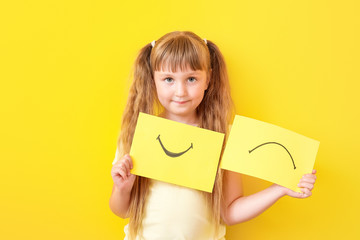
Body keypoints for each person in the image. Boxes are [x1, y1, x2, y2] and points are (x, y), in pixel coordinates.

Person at [109, 31, 317, 239]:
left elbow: (228, 212)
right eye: (168, 79)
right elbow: (122, 210)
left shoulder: (224, 138)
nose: (180, 91)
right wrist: (122, 189)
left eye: (191, 79)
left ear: (207, 80)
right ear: (153, 80)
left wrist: (279, 189)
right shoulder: (137, 134)